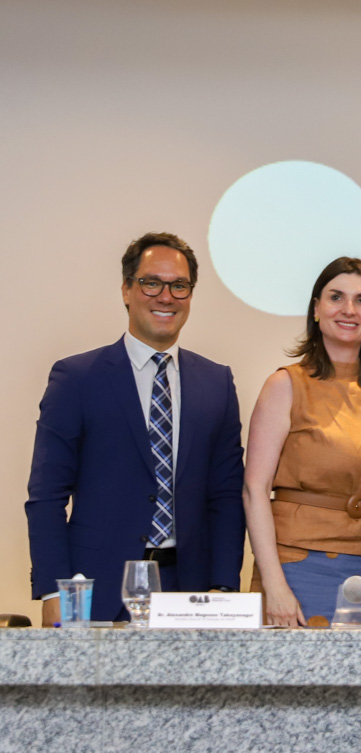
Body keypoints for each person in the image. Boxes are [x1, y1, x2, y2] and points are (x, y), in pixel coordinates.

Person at [25, 232, 245, 625]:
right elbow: (46, 494)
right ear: (127, 290)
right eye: (151, 282)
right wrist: (53, 590)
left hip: (189, 591)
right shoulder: (76, 378)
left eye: (179, 285)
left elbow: (226, 496)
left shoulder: (217, 383)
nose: (166, 296)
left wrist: (223, 586)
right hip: (95, 588)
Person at [243, 257, 361, 628]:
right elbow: (255, 489)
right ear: (316, 308)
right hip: (299, 569)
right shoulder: (285, 385)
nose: (349, 310)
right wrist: (275, 585)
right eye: (336, 297)